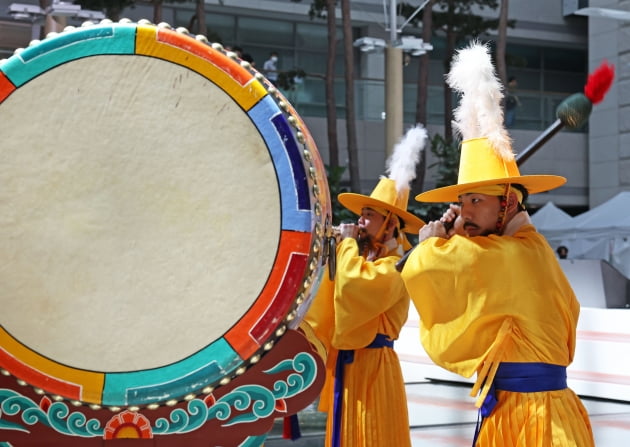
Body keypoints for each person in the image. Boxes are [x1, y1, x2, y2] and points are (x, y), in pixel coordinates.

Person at [400, 42, 595, 447]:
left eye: (476, 201)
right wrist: (455, 233)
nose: (465, 211)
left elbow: (432, 268)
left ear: (507, 203)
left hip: (537, 420)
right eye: (461, 203)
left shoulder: (517, 253)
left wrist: (431, 242)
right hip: (515, 409)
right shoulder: (518, 246)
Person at [303, 125, 427, 447]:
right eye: (362, 214)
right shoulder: (366, 256)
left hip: (374, 367)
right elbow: (337, 288)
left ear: (390, 223)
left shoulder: (399, 262)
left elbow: (354, 288)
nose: (359, 221)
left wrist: (344, 246)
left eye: (369, 215)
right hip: (351, 363)